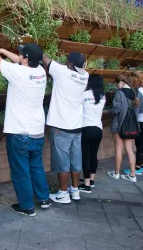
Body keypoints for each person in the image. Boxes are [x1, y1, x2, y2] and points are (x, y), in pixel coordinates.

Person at [0, 42, 51, 216]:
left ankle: (27, 207)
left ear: (26, 59)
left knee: (21, 170)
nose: (19, 56)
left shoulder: (18, 73)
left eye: (21, 54)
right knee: (36, 166)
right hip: (37, 130)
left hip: (20, 132)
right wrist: (5, 50)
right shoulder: (41, 73)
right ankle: (44, 199)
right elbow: (20, 61)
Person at [42, 52, 89, 204]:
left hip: (61, 126)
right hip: (77, 127)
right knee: (75, 160)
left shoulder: (62, 72)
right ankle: (75, 190)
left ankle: (63, 193)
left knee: (62, 162)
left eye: (67, 61)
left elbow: (45, 59)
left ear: (69, 64)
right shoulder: (85, 76)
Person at [108, 73, 143, 182]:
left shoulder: (119, 93)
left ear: (121, 82)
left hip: (118, 125)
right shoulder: (137, 93)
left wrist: (111, 110)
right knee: (129, 150)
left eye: (117, 83)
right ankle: (133, 175)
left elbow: (116, 109)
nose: (116, 86)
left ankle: (116, 173)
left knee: (118, 149)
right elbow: (142, 109)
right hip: (132, 126)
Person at [78, 74, 106, 193]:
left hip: (86, 128)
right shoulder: (102, 96)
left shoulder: (84, 95)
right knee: (93, 155)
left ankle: (87, 184)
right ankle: (92, 180)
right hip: (98, 129)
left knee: (85, 156)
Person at [124, 71, 143, 174]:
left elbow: (140, 108)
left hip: (141, 120)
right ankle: (142, 165)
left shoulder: (138, 91)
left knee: (140, 144)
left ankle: (137, 167)